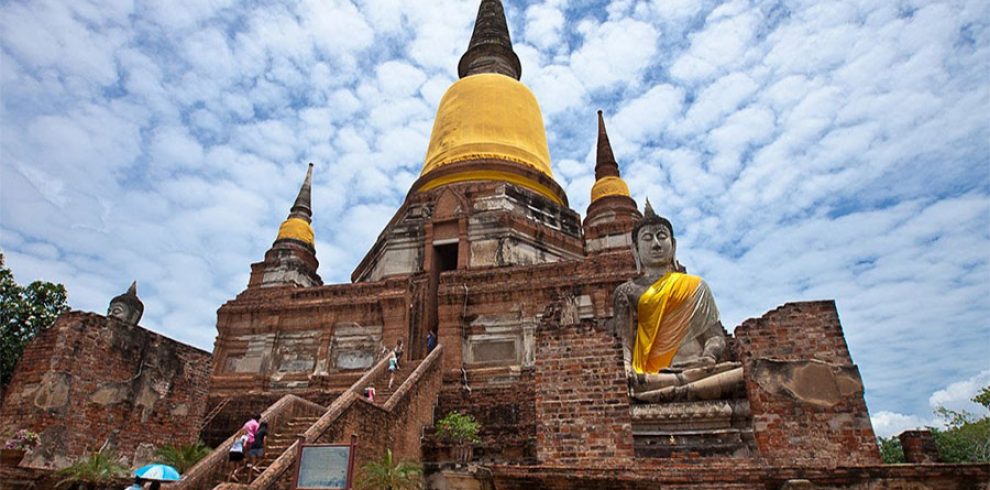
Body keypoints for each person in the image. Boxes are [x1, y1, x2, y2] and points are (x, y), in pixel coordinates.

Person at [612, 200, 741, 402]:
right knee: (629, 386)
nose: (656, 244)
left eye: (661, 237)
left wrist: (709, 356)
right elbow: (625, 345)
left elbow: (715, 337)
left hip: (698, 370)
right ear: (635, 250)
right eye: (647, 238)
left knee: (743, 375)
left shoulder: (695, 286)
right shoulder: (627, 291)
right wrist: (626, 371)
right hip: (652, 376)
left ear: (673, 245)